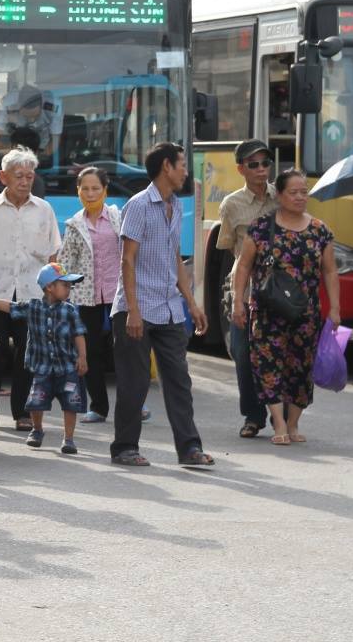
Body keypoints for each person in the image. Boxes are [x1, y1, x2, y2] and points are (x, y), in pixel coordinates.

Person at [109, 142, 212, 468]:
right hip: (136, 310)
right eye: (182, 164)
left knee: (179, 381)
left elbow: (174, 260)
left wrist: (192, 303)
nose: (185, 171)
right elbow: (127, 260)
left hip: (168, 308)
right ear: (166, 167)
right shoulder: (139, 206)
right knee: (134, 384)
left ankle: (189, 449)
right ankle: (125, 448)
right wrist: (134, 310)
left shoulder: (175, 206)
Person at [232, 169, 342, 444]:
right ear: (279, 195)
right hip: (268, 311)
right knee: (267, 365)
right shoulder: (261, 227)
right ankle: (278, 423)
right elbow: (243, 265)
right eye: (293, 192)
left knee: (301, 369)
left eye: (304, 192)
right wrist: (238, 301)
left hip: (306, 314)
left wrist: (335, 308)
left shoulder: (320, 230)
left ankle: (293, 424)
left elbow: (330, 271)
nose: (300, 197)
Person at [0, 146, 58, 430]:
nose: (24, 181)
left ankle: (22, 412)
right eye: (18, 175)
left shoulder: (44, 210)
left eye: (29, 176)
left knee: (28, 356)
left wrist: (53, 293)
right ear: (3, 177)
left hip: (32, 296)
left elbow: (53, 256)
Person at [215, 140, 277, 437]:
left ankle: (283, 416)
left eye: (265, 163)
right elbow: (229, 249)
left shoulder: (284, 197)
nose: (261, 169)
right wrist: (236, 295)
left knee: (279, 353)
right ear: (240, 169)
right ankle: (253, 416)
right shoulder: (231, 205)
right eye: (254, 164)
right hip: (245, 287)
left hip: (281, 290)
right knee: (243, 353)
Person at [0, 264, 89, 453]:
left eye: (70, 286)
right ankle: (37, 430)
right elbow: (12, 308)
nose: (69, 289)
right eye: (65, 285)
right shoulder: (34, 307)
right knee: (37, 401)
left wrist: (82, 357)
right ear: (49, 287)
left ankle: (68, 439)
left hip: (67, 367)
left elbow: (79, 334)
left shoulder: (70, 310)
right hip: (42, 367)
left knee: (71, 403)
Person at [56, 166, 122, 424]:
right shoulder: (74, 225)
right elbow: (65, 262)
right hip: (86, 295)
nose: (90, 193)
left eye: (96, 188)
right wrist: (60, 293)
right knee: (90, 350)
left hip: (119, 293)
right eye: (85, 188)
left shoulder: (118, 217)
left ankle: (133, 405)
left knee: (124, 350)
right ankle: (99, 407)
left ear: (105, 191)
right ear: (78, 191)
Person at [0, 84, 63, 160]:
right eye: (27, 117)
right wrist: (11, 154)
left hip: (42, 138)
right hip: (12, 139)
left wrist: (39, 156)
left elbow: (55, 141)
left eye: (35, 116)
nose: (31, 121)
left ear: (41, 105)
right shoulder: (7, 104)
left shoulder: (53, 107)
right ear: (18, 106)